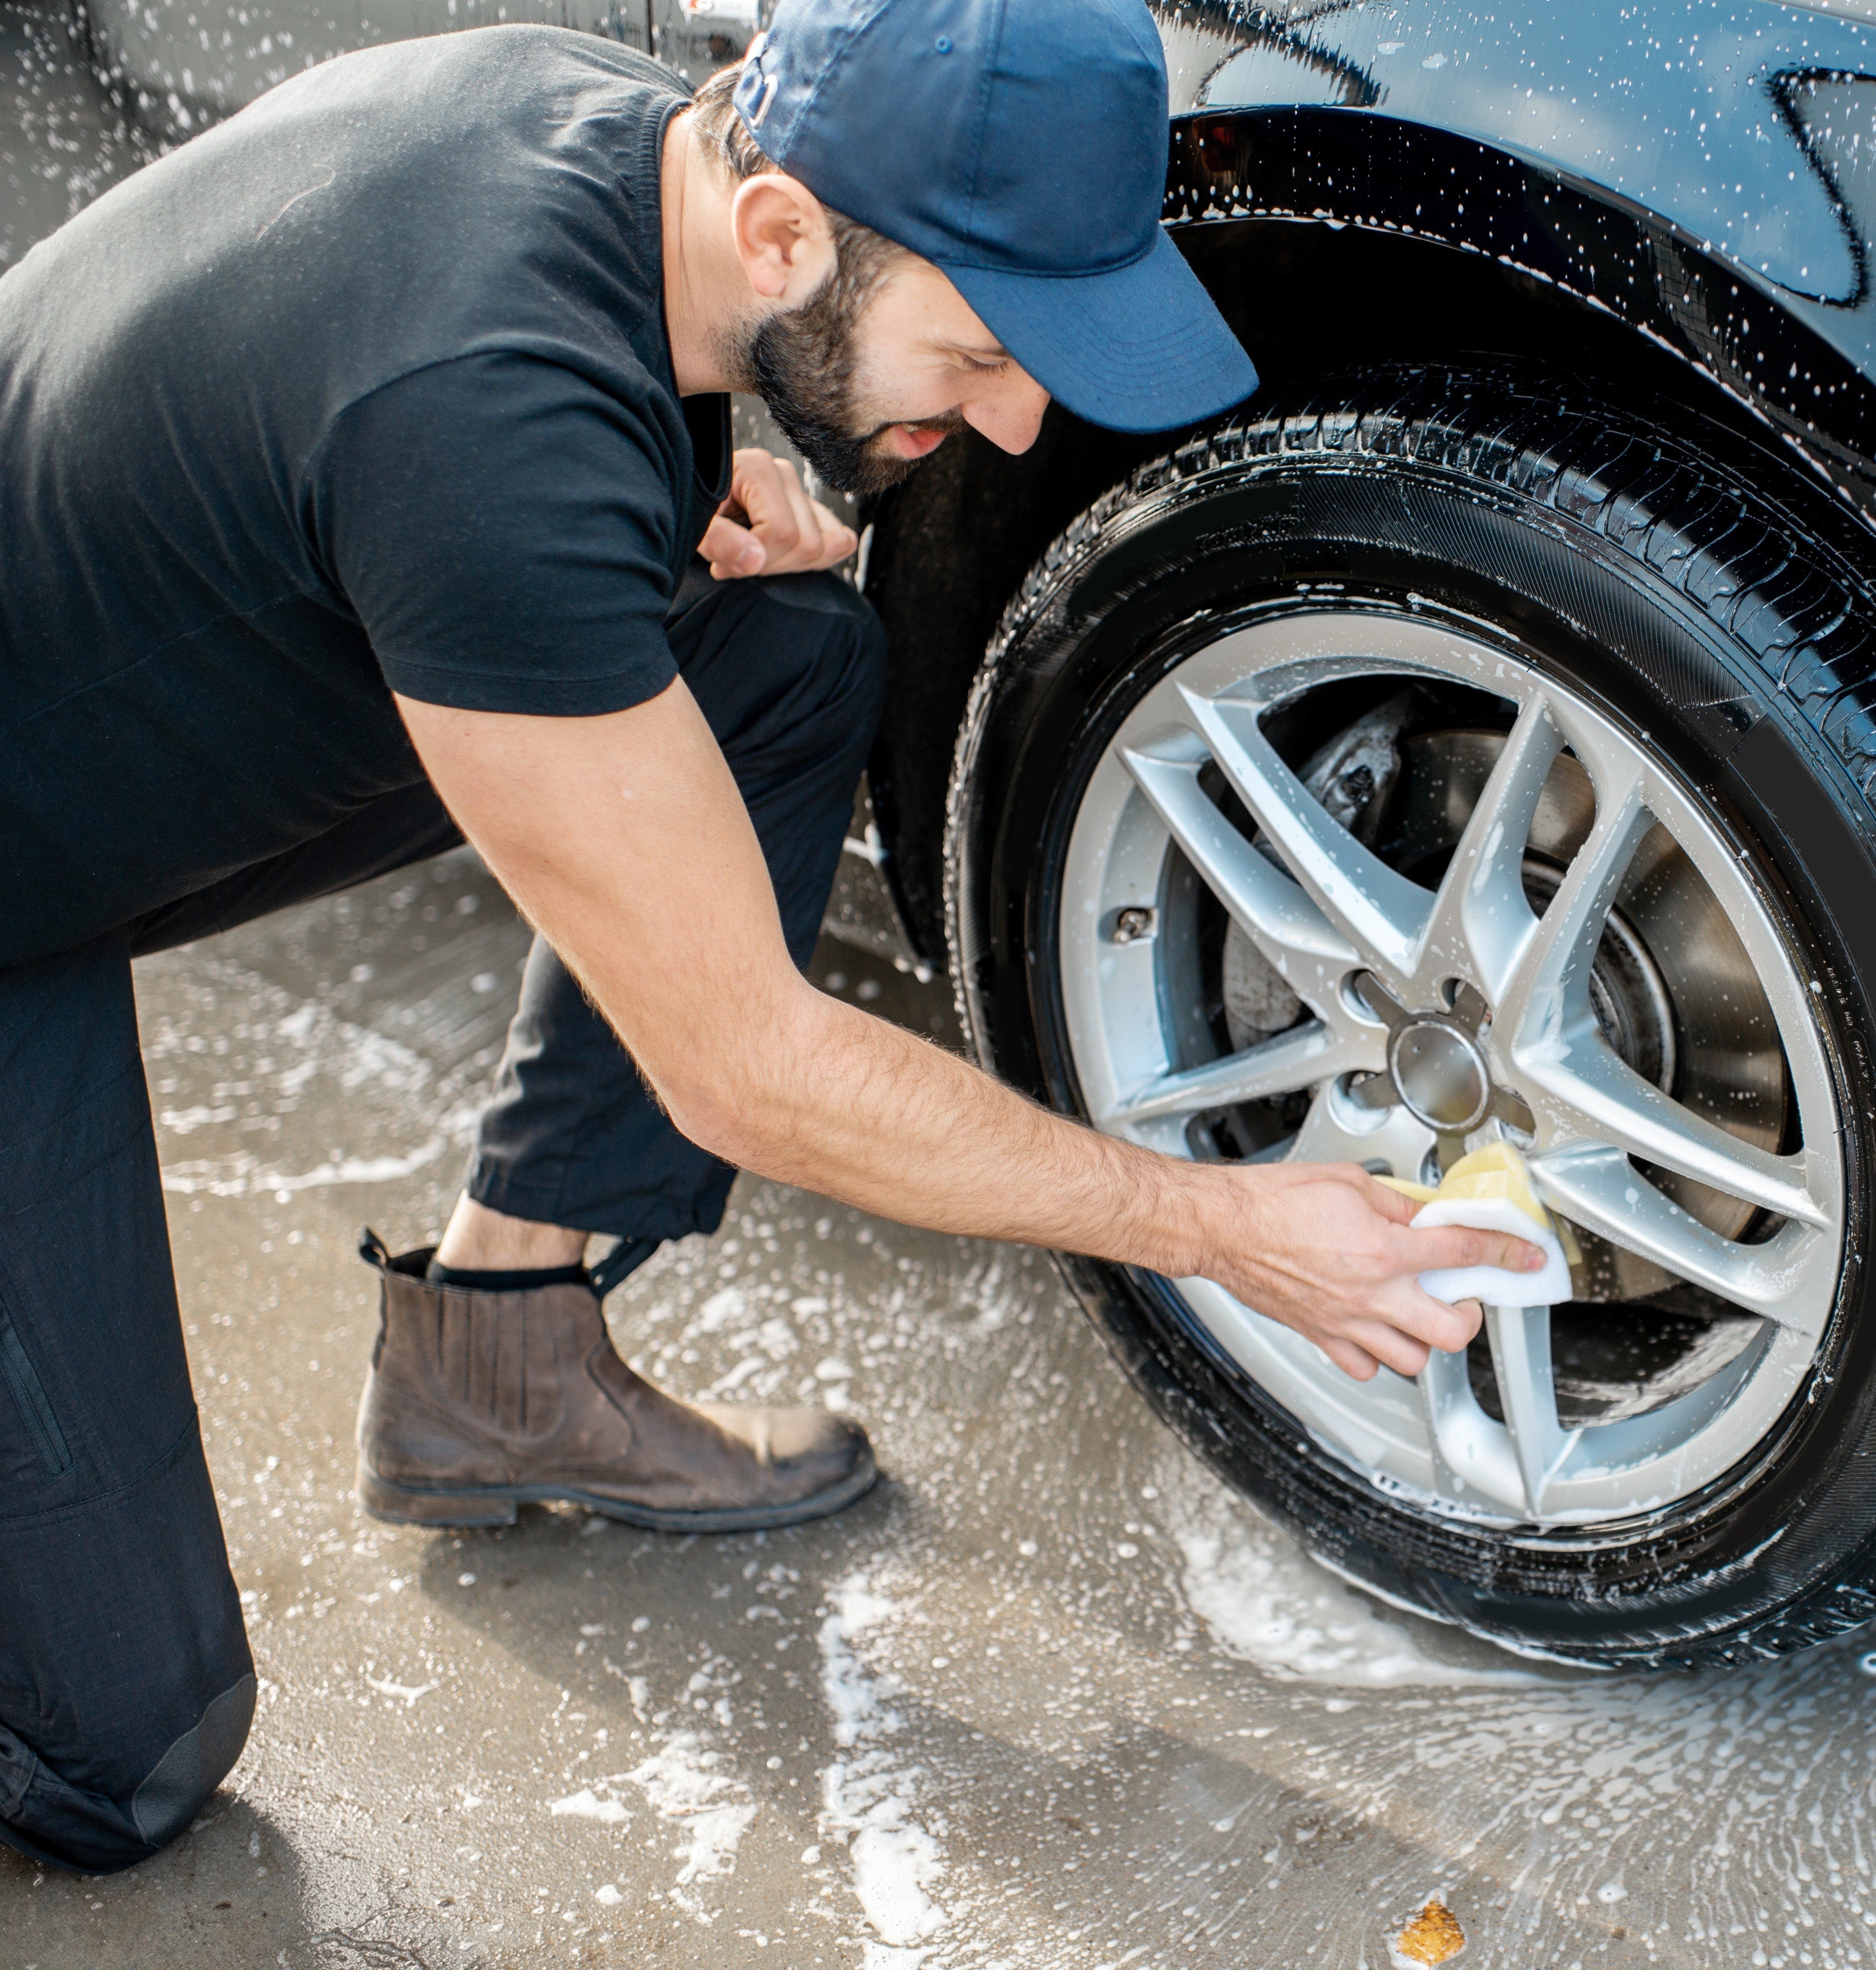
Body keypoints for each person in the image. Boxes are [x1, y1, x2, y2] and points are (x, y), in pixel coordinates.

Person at [0, 0, 1543, 1874]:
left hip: (89, 724)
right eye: (978, 352)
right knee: (132, 1752)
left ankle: (498, 1362)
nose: (1015, 417)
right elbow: (746, 1069)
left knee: (787, 658)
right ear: (788, 235)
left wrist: (733, 476)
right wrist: (1221, 1228)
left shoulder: (623, 153)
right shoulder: (483, 421)